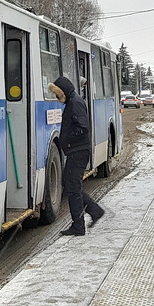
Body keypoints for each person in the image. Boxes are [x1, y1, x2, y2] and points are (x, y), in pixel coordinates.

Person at [48, 76, 105, 236]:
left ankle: (79, 225)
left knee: (72, 188)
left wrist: (67, 140)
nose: (57, 98)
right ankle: (94, 211)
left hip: (78, 151)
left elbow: (82, 127)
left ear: (63, 91)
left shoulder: (75, 103)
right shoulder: (73, 101)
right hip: (77, 151)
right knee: (72, 186)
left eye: (57, 94)